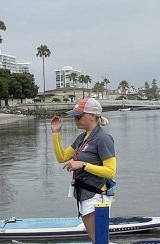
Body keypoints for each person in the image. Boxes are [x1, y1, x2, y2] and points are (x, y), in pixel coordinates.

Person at [51, 97, 116, 243]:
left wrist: (83, 164)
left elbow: (110, 171)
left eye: (79, 116)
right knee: (96, 240)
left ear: (92, 116)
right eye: (75, 116)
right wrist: (56, 133)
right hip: (84, 194)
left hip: (96, 196)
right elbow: (62, 157)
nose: (75, 120)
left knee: (99, 240)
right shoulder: (83, 138)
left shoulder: (103, 138)